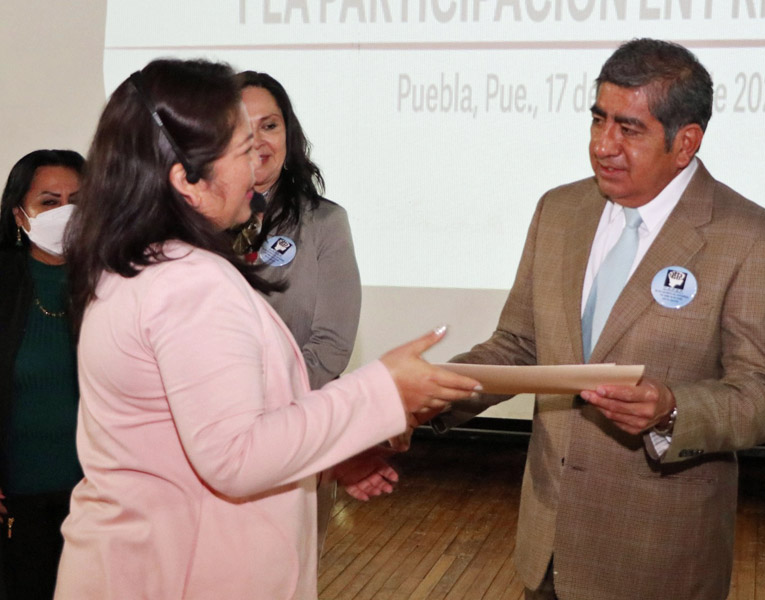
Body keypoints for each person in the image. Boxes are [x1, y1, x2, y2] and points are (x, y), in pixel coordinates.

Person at [54, 58, 480, 599]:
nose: (256, 164)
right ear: (187, 179)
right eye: (239, 151)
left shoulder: (136, 263)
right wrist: (383, 390)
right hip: (181, 574)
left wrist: (325, 459)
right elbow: (234, 457)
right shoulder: (189, 283)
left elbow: (188, 438)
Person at [427, 39, 765, 600]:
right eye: (599, 120)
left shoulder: (751, 239)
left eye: (630, 129)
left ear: (686, 142)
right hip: (545, 551)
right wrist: (428, 396)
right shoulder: (560, 210)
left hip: (658, 563)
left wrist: (672, 408)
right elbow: (520, 346)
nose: (603, 146)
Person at [234, 71, 364, 554]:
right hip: (204, 438)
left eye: (269, 125)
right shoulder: (190, 228)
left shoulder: (325, 223)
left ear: (289, 133)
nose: (258, 141)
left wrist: (263, 406)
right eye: (242, 128)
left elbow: (331, 345)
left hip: (294, 434)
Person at [0, 149, 84, 600]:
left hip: (100, 502)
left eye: (78, 200)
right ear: (19, 215)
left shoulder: (115, 283)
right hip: (18, 505)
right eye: (50, 201)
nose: (66, 213)